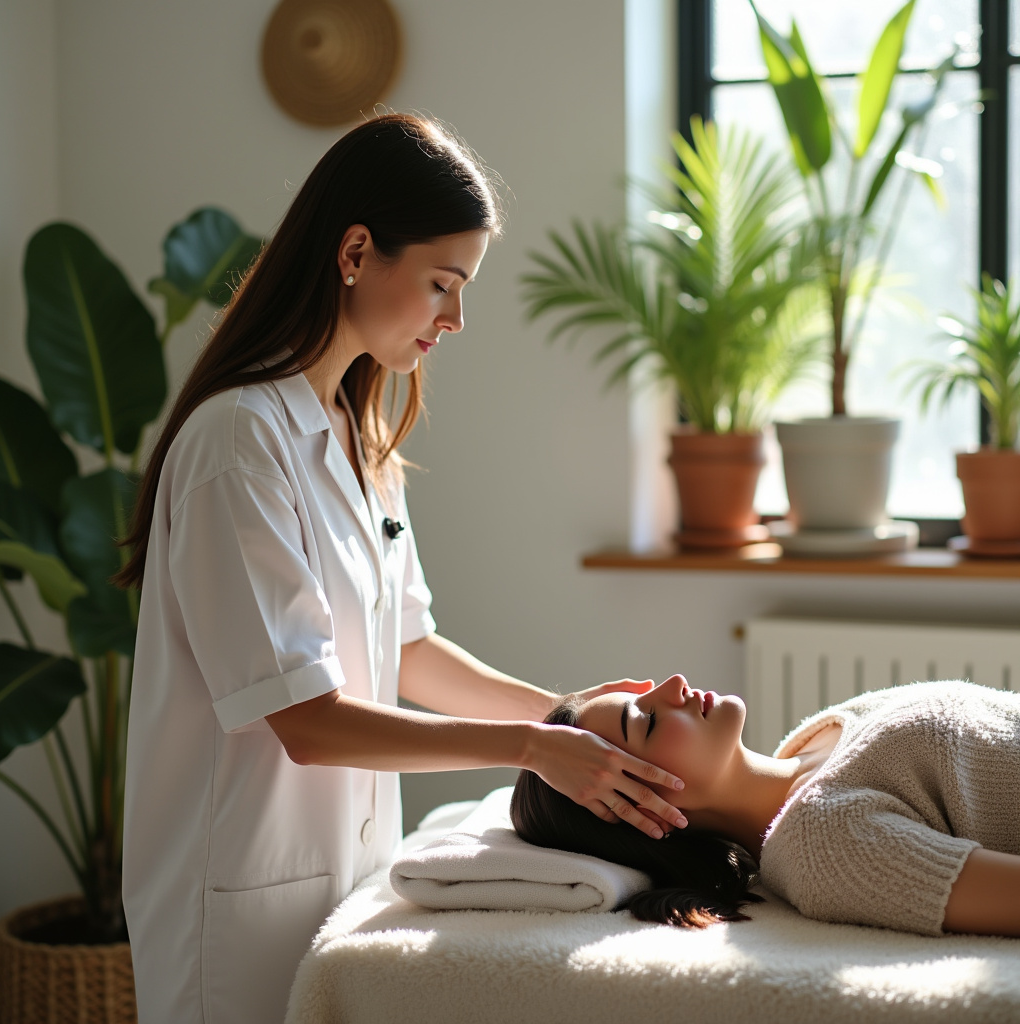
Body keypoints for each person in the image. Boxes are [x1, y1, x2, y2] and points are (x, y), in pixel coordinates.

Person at [116, 113, 688, 1024]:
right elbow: (304, 719)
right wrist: (535, 749)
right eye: (441, 285)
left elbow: (411, 651)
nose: (455, 319)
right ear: (354, 251)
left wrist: (566, 716)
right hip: (232, 904)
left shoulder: (362, 436)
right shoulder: (239, 442)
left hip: (344, 882)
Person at [511, 673, 1020, 938]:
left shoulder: (820, 734)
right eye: (645, 721)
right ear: (645, 812)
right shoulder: (824, 846)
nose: (673, 686)